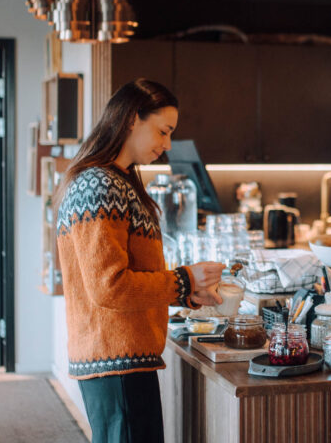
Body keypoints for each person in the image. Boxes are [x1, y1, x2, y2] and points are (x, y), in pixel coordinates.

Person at [55, 78, 224, 442]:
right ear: (133, 118)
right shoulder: (99, 184)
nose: (166, 146)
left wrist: (186, 293)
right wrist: (184, 279)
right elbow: (109, 287)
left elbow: (131, 276)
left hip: (121, 358)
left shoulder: (120, 181)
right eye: (163, 132)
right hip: (115, 361)